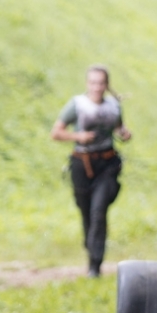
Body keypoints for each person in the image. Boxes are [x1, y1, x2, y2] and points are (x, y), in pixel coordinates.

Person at [51, 65, 132, 276]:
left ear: (106, 85)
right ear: (88, 84)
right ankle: (91, 248)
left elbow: (118, 127)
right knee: (86, 211)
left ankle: (95, 266)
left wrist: (123, 133)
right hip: (82, 164)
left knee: (98, 211)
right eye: (93, 82)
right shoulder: (77, 105)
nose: (97, 87)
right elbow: (56, 133)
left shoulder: (114, 106)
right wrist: (78, 137)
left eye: (101, 83)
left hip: (107, 164)